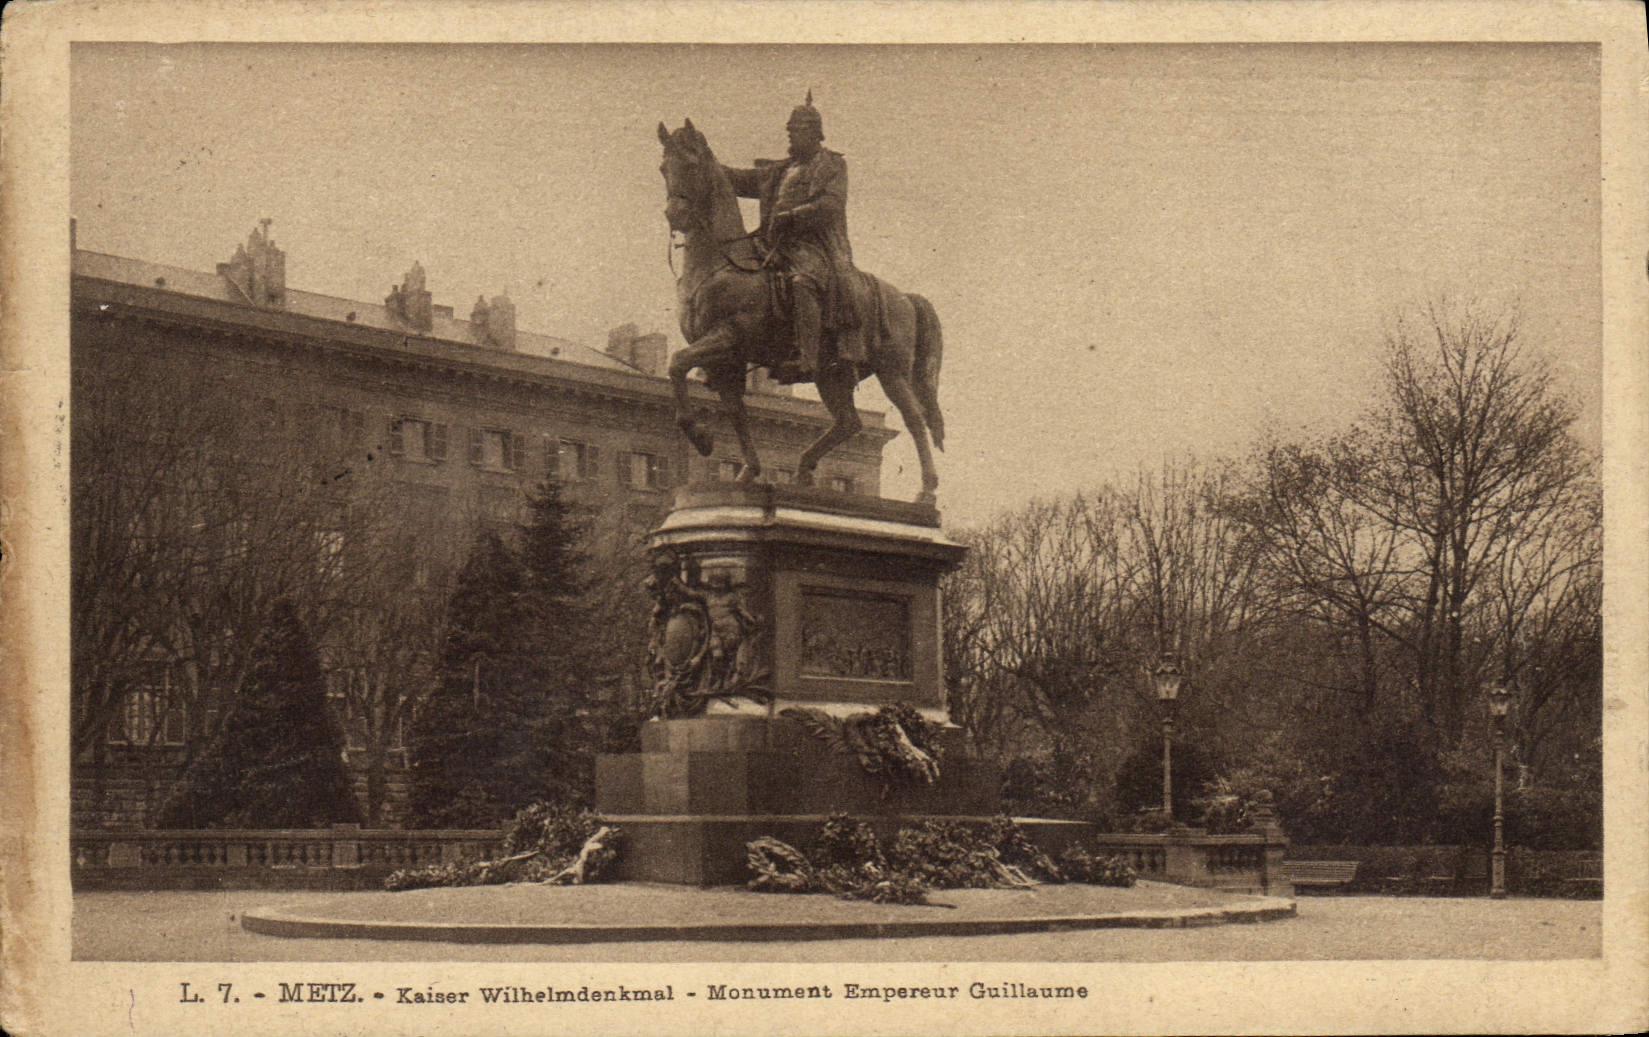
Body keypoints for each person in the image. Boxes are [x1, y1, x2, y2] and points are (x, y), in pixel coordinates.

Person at [722, 92, 859, 383]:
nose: (791, 137)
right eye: (789, 131)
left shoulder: (832, 165)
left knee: (802, 281)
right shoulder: (780, 169)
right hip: (773, 242)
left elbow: (832, 204)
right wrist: (708, 165)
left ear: (814, 133)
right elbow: (741, 180)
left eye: (796, 131)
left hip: (813, 244)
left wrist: (794, 215)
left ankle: (807, 357)